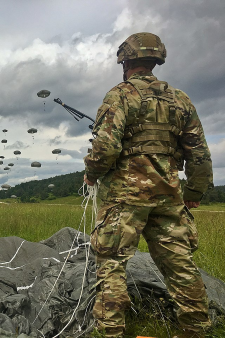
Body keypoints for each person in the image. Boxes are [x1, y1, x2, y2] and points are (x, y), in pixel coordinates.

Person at [83, 32, 213, 338]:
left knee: (112, 263)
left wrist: (91, 172)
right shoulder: (181, 100)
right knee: (180, 264)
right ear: (155, 61)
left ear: (125, 62)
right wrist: (193, 193)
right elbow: (200, 155)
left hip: (125, 196)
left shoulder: (120, 95)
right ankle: (196, 330)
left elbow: (105, 148)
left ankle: (111, 332)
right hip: (168, 194)